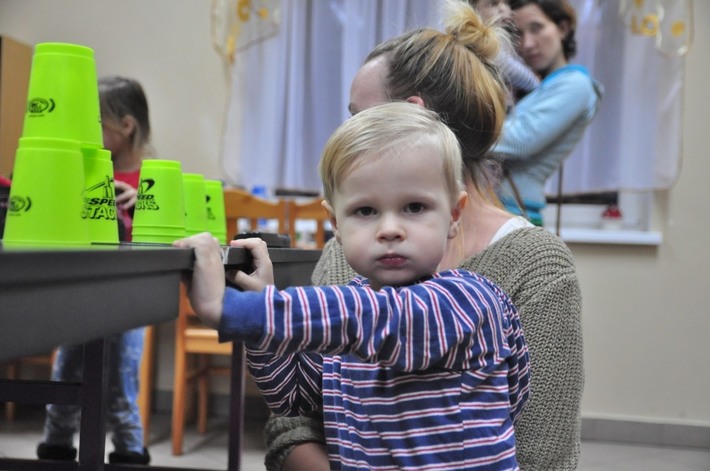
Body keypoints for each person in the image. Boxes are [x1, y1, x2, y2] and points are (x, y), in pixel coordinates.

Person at [263, 1, 584, 470]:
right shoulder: (344, 254)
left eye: (357, 116)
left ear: (413, 114)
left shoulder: (535, 267)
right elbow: (294, 422)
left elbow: (542, 457)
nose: (345, 132)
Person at [177, 102, 530, 470]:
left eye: (414, 207)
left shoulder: (468, 301)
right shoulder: (347, 320)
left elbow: (375, 320)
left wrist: (229, 308)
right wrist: (260, 302)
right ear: (336, 224)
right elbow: (292, 397)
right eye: (365, 211)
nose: (389, 229)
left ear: (454, 215)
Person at [37, 76, 152, 465]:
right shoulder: (85, 171)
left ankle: (129, 450)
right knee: (67, 367)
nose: (89, 131)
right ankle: (56, 444)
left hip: (129, 297)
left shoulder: (152, 177)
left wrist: (143, 204)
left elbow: (171, 237)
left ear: (126, 125)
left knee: (121, 376)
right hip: (80, 292)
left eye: (97, 123)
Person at [493, 0, 603, 226]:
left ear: (563, 28)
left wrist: (454, 130)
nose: (527, 43)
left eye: (537, 28)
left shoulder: (575, 84)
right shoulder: (536, 87)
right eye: (518, 34)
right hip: (502, 208)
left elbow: (520, 140)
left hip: (514, 213)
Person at [468, 0, 540, 106]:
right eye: (493, 4)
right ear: (472, 9)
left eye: (506, 3)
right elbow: (524, 78)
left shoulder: (507, 37)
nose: (503, 9)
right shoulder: (476, 41)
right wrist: (539, 86)